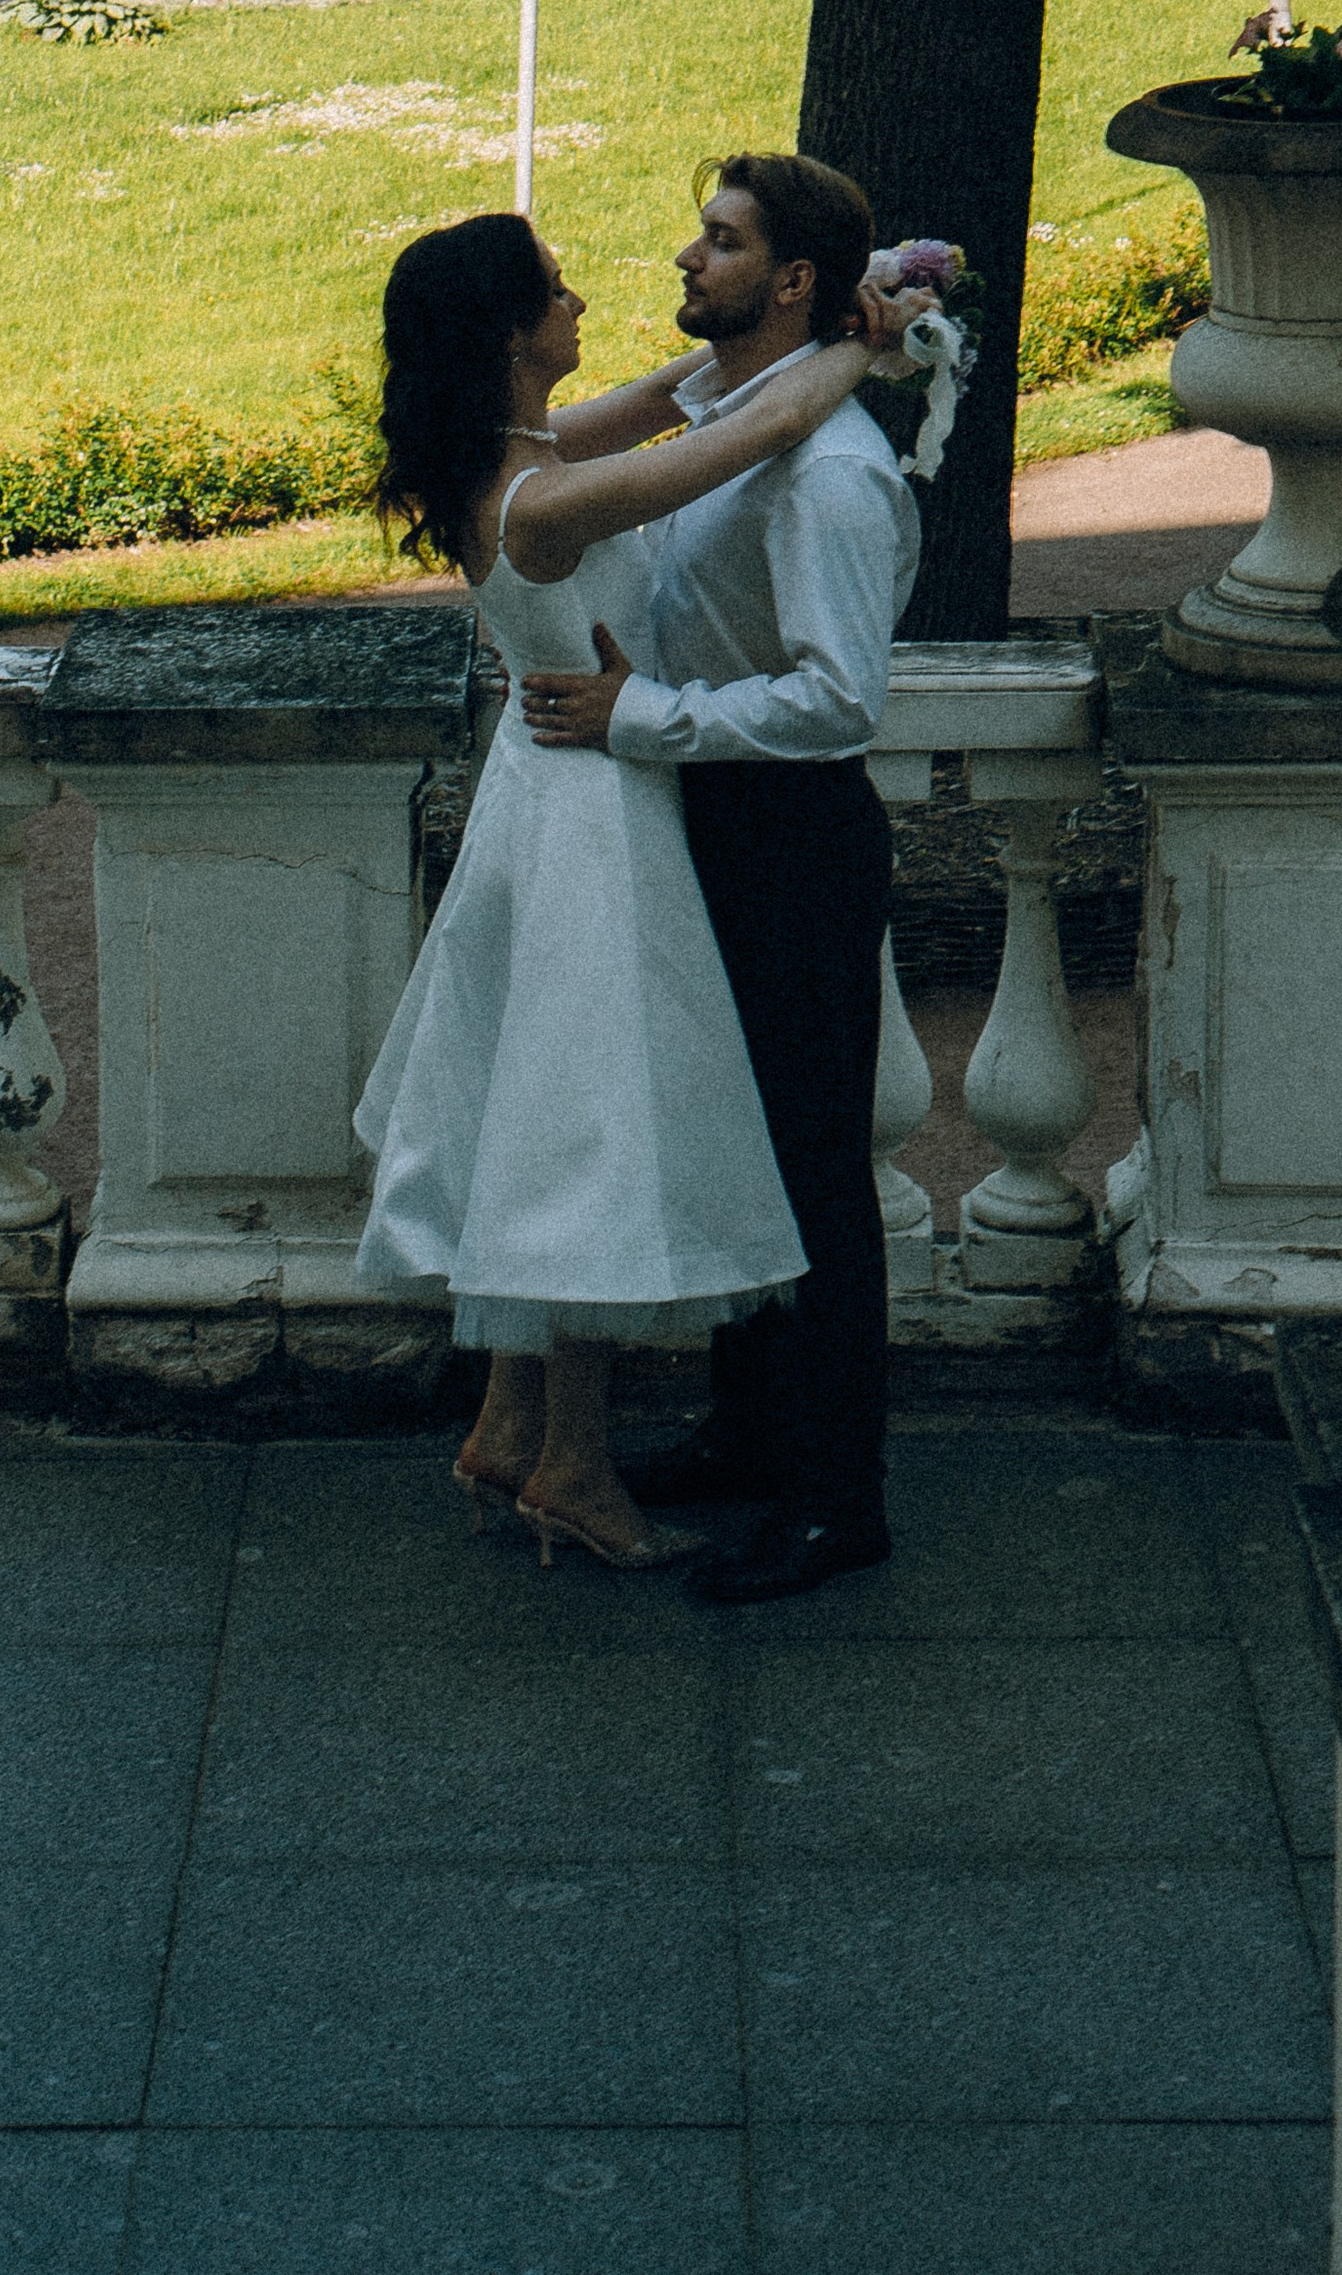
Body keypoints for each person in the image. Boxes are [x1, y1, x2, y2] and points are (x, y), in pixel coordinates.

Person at [353, 210, 922, 1573]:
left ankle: (513, 1428)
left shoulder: (521, 453)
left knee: (539, 1116)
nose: (582, 298)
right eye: (555, 291)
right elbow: (740, 442)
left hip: (541, 801)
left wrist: (827, 314)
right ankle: (576, 1468)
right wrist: (859, 344)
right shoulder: (549, 497)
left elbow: (681, 395)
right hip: (597, 810)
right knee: (595, 1131)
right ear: (509, 334)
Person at [520, 153, 919, 1606]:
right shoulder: (728, 413)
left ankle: (835, 1499)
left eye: (724, 242)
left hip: (792, 835)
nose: (691, 259)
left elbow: (839, 702)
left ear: (793, 281)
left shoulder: (832, 478)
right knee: (733, 1142)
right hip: (711, 824)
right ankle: (753, 1435)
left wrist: (646, 721)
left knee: (813, 1171)